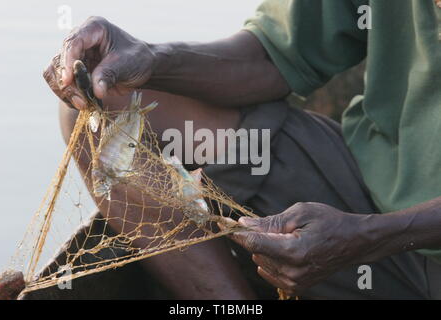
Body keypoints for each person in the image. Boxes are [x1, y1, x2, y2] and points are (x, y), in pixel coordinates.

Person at [43, 0, 441, 299]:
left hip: (402, 231)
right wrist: (150, 57)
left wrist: (374, 236)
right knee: (100, 111)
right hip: (368, 186)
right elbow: (273, 54)